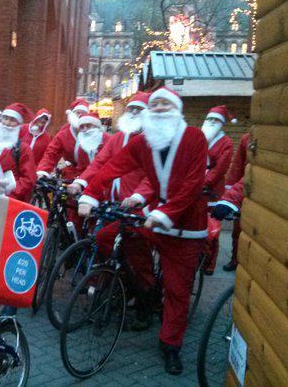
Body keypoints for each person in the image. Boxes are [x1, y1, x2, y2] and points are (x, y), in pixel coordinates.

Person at [77, 87, 208, 375]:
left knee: (177, 290)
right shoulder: (143, 142)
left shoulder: (194, 138)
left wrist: (166, 213)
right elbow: (113, 167)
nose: (159, 108)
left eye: (166, 104)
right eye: (155, 104)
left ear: (177, 110)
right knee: (114, 234)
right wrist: (90, 194)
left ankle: (170, 345)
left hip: (185, 226)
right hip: (153, 215)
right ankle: (146, 290)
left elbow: (193, 184)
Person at [67, 92, 149, 199]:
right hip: (111, 198)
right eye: (131, 108)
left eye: (139, 109)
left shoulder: (150, 141)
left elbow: (152, 177)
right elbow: (99, 162)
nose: (134, 112)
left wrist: (139, 196)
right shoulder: (117, 138)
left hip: (138, 202)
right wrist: (80, 182)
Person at [201, 106, 235, 275]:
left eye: (216, 120)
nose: (212, 122)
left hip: (212, 189)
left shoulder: (226, 142)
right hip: (196, 184)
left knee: (212, 227)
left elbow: (221, 168)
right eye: (210, 119)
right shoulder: (201, 137)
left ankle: (210, 262)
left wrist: (205, 182)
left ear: (221, 124)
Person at [36, 99, 89, 180]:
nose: (80, 116)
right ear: (72, 114)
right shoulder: (63, 135)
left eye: (83, 113)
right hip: (71, 173)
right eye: (78, 113)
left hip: (90, 174)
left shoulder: (95, 134)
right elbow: (51, 153)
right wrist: (43, 171)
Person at [221, 132, 249, 271]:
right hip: (242, 193)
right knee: (237, 230)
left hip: (251, 189)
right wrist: (230, 197)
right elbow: (237, 168)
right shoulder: (246, 138)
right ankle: (235, 259)